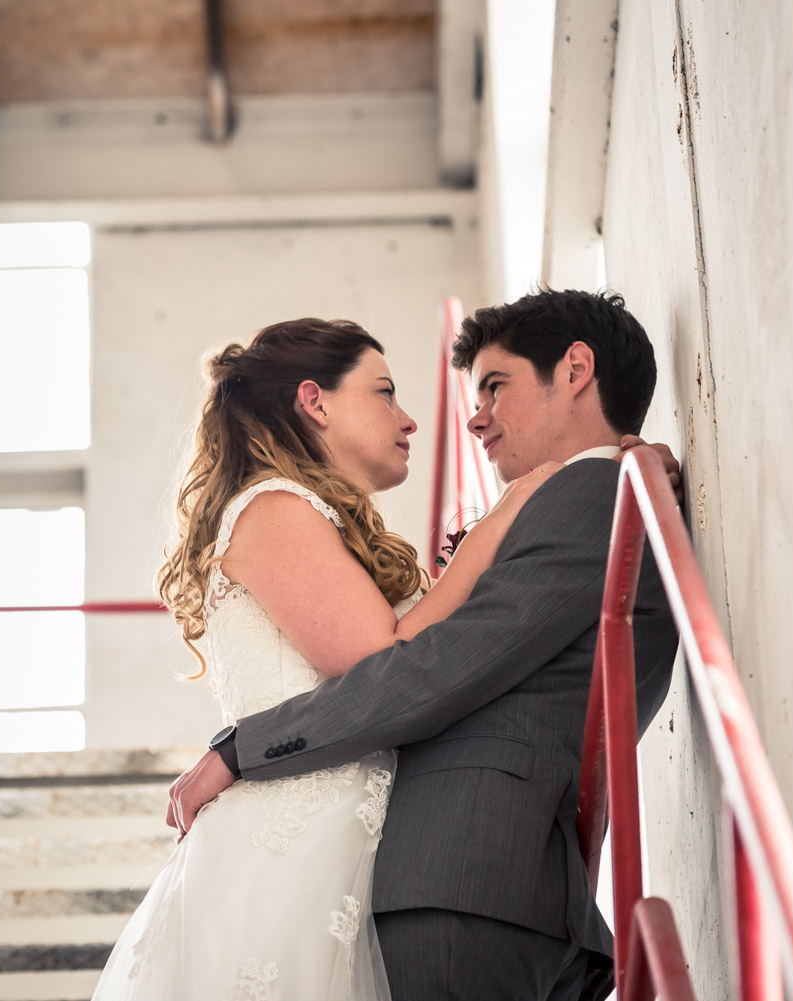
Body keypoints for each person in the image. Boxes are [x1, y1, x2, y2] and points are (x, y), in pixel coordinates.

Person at [166, 289, 682, 1000]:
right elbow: (424, 654)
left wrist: (238, 749)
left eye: (495, 387)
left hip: (473, 877)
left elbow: (429, 669)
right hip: (468, 882)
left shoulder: (593, 491)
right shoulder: (582, 493)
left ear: (575, 370)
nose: (471, 416)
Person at [93, 315, 587, 1000]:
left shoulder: (312, 517)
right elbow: (381, 659)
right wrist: (504, 518)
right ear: (314, 400)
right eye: (384, 391)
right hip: (292, 855)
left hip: (347, 849)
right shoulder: (272, 505)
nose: (410, 419)